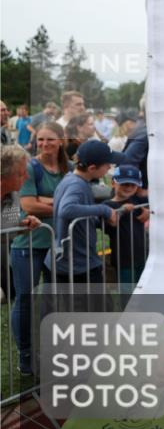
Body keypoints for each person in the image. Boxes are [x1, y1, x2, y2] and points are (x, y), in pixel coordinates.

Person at [13, 122, 68, 374]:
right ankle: (25, 354)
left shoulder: (67, 167)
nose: (44, 144)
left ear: (61, 140)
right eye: (41, 140)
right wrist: (63, 206)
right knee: (25, 299)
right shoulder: (31, 167)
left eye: (50, 140)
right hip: (29, 245)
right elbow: (29, 205)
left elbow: (83, 193)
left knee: (54, 299)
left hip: (57, 245)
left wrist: (47, 200)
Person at [46, 140, 126, 285]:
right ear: (92, 168)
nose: (109, 167)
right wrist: (104, 210)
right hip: (78, 264)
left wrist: (98, 220)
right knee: (97, 306)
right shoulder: (76, 185)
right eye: (107, 164)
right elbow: (67, 209)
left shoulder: (73, 180)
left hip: (73, 260)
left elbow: (77, 215)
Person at [2, 146, 43, 308]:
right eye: (20, 173)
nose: (26, 177)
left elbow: (5, 231)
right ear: (3, 176)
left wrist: (23, 226)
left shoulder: (12, 196)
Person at [103, 165, 149, 286]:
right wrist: (122, 210)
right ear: (113, 183)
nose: (128, 188)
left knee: (143, 289)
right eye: (124, 184)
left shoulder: (137, 202)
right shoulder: (107, 205)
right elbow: (110, 224)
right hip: (123, 260)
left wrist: (148, 212)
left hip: (142, 256)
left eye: (132, 185)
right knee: (127, 294)